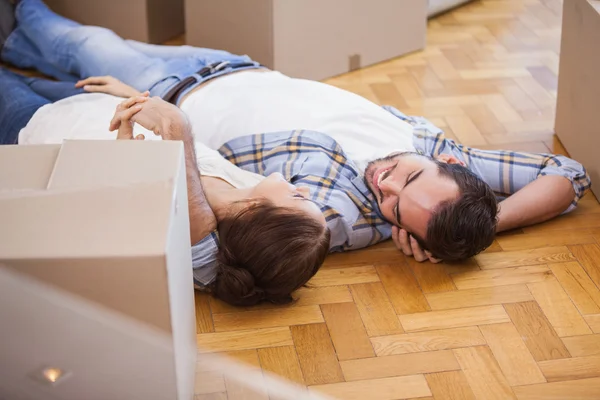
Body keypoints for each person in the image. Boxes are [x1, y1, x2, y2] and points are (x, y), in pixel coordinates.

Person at [1, 0, 591, 264]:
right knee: (65, 42)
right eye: (407, 178)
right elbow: (568, 175)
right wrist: (488, 225)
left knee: (49, 85)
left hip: (157, 107)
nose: (383, 184)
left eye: (395, 210)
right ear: (450, 168)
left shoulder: (338, 219)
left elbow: (214, 255)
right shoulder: (449, 154)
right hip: (225, 64)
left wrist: (428, 232)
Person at [0, 67, 331, 306]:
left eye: (299, 200)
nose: (306, 191)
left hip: (35, 128)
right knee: (22, 76)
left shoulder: (195, 244)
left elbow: (199, 251)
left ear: (254, 213)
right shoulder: (248, 185)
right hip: (92, 105)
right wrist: (134, 95)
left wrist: (121, 158)